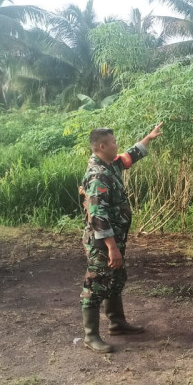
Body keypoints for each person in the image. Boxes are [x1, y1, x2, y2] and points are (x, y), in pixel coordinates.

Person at [79, 122, 163, 353]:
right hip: (102, 242)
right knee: (96, 284)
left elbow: (130, 156)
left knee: (115, 278)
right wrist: (112, 248)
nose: (117, 145)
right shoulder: (97, 175)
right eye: (114, 142)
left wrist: (148, 138)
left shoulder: (111, 165)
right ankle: (91, 336)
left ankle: (117, 323)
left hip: (115, 238)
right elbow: (98, 216)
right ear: (102, 146)